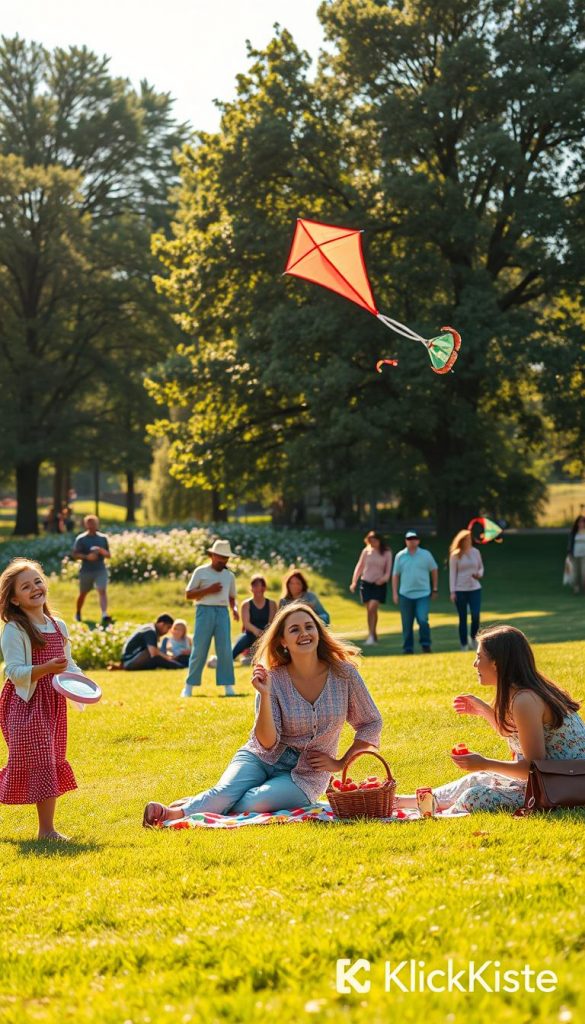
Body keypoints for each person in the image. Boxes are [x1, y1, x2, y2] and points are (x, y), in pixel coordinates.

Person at [142, 602, 383, 826]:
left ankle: (203, 803)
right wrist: (265, 695)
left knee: (253, 802)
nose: (304, 633)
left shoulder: (344, 675)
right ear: (283, 641)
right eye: (295, 629)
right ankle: (174, 814)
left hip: (307, 774)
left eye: (310, 627)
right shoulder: (273, 679)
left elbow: (371, 722)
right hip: (259, 756)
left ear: (319, 633)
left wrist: (340, 763)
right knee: (225, 791)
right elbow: (267, 742)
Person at [395, 624, 585, 814]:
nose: (475, 664)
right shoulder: (523, 692)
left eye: (479, 657)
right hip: (556, 781)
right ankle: (401, 802)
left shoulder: (525, 700)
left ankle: (436, 814)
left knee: (474, 796)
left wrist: (485, 762)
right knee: (475, 779)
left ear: (497, 663)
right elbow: (515, 734)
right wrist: (484, 710)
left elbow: (533, 767)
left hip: (563, 786)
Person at [0, 558, 80, 840]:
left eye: (37, 581)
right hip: (25, 706)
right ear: (15, 599)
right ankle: (47, 831)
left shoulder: (58, 625)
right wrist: (45, 669)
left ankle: (47, 829)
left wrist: (84, 686)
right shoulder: (15, 629)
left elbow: (69, 665)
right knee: (39, 761)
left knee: (50, 759)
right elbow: (13, 670)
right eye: (26, 586)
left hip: (53, 704)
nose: (35, 588)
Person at [181, 539, 239, 698]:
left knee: (225, 650)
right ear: (212, 555)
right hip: (204, 611)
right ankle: (189, 686)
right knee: (199, 649)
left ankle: (228, 686)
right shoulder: (200, 572)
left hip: (222, 613)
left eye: (226, 557)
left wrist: (234, 609)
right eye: (220, 556)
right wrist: (209, 590)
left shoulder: (229, 576)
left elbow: (232, 597)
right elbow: (189, 594)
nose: (223, 560)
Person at [392, 531, 438, 654]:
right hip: (405, 594)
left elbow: (434, 569)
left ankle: (425, 644)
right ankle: (408, 648)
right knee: (407, 623)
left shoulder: (426, 554)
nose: (412, 541)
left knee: (423, 619)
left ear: (418, 540)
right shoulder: (400, 556)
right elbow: (395, 575)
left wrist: (435, 588)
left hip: (423, 593)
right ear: (406, 541)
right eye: (409, 539)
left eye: (414, 538)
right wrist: (395, 593)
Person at [350, 530, 392, 645]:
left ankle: (372, 635)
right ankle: (372, 634)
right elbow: (360, 566)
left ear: (379, 540)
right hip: (366, 583)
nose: (372, 543)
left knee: (373, 607)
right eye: (370, 541)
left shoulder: (387, 552)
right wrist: (354, 582)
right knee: (370, 610)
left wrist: (383, 579)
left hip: (379, 584)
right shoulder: (366, 551)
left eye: (374, 540)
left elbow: (388, 571)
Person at [72, 515, 111, 626]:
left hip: (100, 569)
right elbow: (74, 554)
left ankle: (104, 614)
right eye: (89, 523)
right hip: (86, 570)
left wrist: (101, 551)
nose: (91, 525)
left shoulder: (103, 538)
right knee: (83, 593)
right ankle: (78, 612)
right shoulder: (81, 539)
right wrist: (86, 557)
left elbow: (109, 555)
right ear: (85, 525)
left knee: (101, 590)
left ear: (97, 524)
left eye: (93, 523)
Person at [449, 529, 484, 651]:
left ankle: (473, 639)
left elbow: (481, 568)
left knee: (475, 615)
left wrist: (478, 574)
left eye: (470, 539)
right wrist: (452, 591)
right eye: (467, 539)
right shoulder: (455, 555)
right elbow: (452, 573)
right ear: (462, 541)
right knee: (462, 617)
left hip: (475, 588)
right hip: (460, 590)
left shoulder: (476, 552)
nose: (469, 541)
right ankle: (463, 644)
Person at [232, 576, 276, 665]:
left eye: (259, 586)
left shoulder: (271, 604)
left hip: (267, 635)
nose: (257, 589)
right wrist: (256, 631)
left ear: (264, 588)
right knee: (232, 653)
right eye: (254, 586)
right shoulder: (246, 604)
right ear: (251, 588)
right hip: (250, 635)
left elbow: (272, 622)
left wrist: (264, 633)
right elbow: (246, 623)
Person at [567, 514, 585, 594]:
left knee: (583, 572)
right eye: (580, 522)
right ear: (577, 523)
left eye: (583, 522)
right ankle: (576, 587)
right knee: (575, 572)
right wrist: (569, 553)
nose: (581, 524)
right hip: (575, 555)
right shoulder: (574, 533)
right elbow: (570, 544)